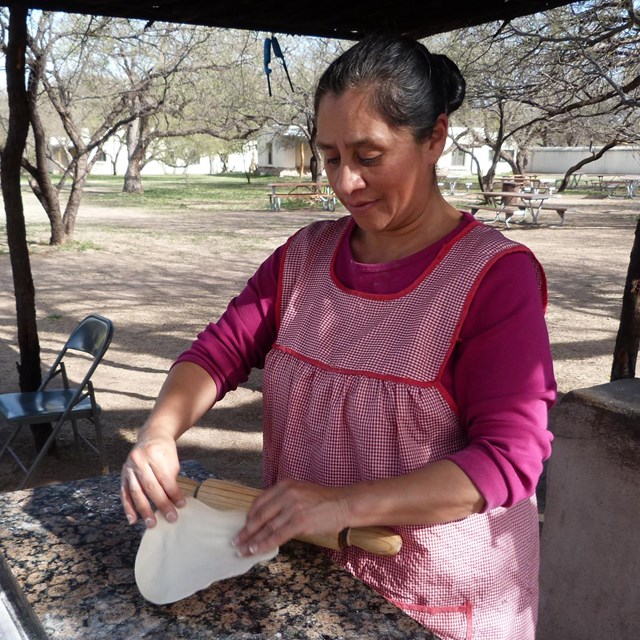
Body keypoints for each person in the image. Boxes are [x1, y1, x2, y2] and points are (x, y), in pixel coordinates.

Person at [121, 34, 556, 640]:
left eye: (369, 156)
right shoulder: (303, 257)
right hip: (308, 577)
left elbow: (509, 460)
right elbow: (218, 352)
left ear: (434, 137)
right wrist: (160, 431)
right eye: (329, 157)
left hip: (437, 602)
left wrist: (342, 504)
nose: (346, 182)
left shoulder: (492, 278)